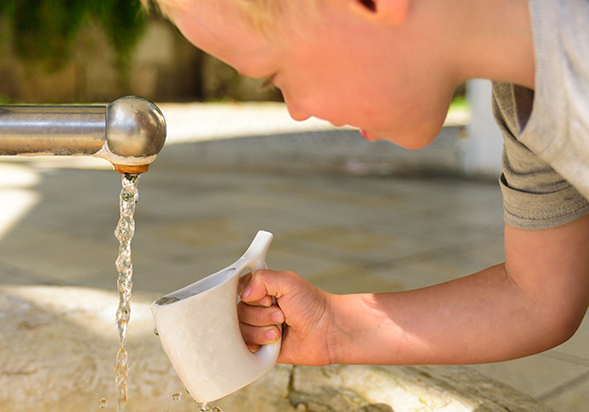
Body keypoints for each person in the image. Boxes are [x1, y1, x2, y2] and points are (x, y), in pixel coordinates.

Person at [146, 0, 589, 366]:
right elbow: (537, 297)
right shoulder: (524, 101)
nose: (297, 111)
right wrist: (335, 327)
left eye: (277, 76)